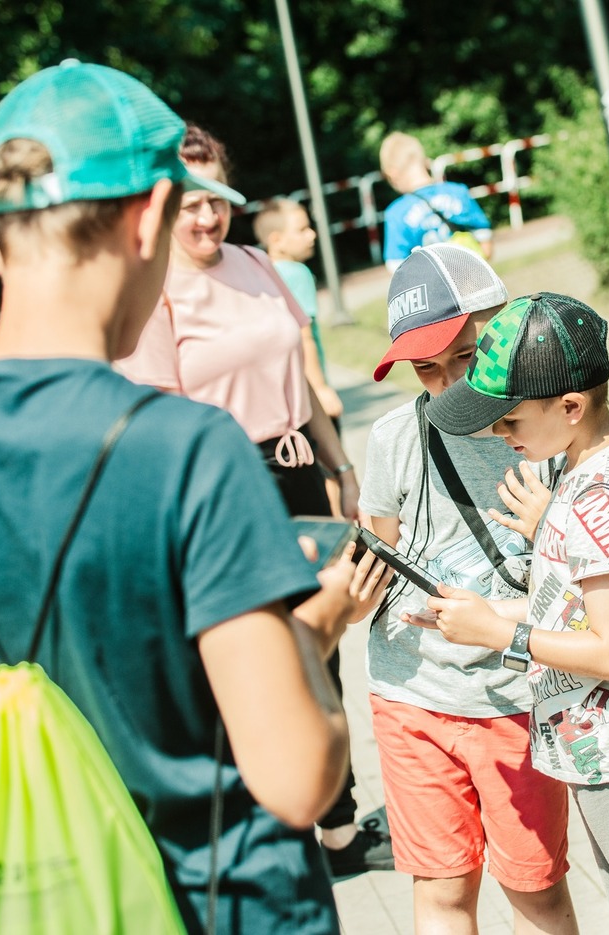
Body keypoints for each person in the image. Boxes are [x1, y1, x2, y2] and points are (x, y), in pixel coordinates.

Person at [0, 61, 390, 933]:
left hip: (62, 902)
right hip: (228, 904)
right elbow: (298, 775)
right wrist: (324, 621)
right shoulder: (190, 449)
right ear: (151, 214)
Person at [118, 125, 389, 877]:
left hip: (301, 470)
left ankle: (338, 828)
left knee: (324, 634)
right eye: (190, 203)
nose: (206, 219)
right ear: (162, 202)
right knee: (258, 653)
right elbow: (159, 424)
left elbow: (299, 381)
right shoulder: (153, 290)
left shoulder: (259, 266)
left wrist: (341, 467)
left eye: (217, 201)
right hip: (226, 490)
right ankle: (275, 822)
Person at [419, 293, 609, 935]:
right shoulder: (599, 471)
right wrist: (477, 612)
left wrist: (502, 632)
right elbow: (576, 608)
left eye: (510, 421)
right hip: (607, 747)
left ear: (571, 407)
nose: (500, 435)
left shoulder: (593, 501)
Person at [359, 245, 578, 934]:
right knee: (443, 890)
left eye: (466, 355)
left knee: (534, 890)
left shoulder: (551, 434)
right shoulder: (394, 437)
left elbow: (590, 589)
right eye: (428, 367)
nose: (449, 380)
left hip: (515, 699)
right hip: (411, 695)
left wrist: (555, 528)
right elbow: (374, 570)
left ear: (504, 327)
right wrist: (347, 587)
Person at [256, 197, 343, 424]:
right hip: (310, 394)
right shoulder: (297, 273)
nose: (312, 235)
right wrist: (321, 388)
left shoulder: (262, 273)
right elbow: (305, 337)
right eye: (302, 230)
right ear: (277, 240)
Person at [380, 131, 493, 272]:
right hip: (473, 282)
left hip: (432, 291)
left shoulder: (396, 213)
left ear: (392, 173)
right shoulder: (458, 192)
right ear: (425, 161)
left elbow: (396, 268)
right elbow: (485, 243)